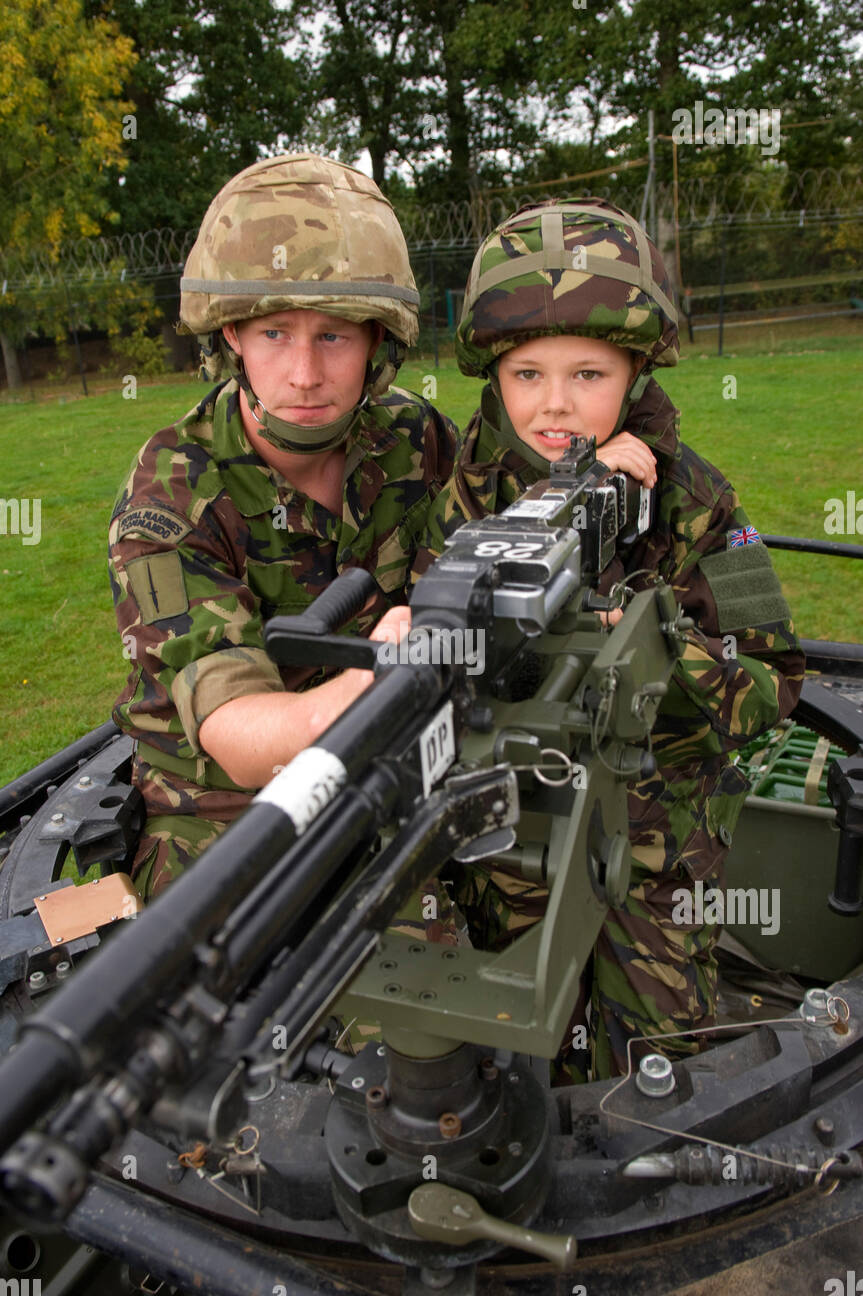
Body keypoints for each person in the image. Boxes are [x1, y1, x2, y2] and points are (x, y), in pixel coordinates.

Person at [413, 197, 806, 1081]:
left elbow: (775, 679)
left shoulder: (699, 499)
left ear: (636, 370)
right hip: (506, 845)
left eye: (587, 374)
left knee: (662, 1080)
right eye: (526, 374)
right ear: (494, 376)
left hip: (652, 847)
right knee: (508, 1070)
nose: (553, 405)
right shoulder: (461, 501)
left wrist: (639, 643)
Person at [109, 154, 458, 900]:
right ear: (230, 335)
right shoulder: (173, 493)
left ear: (378, 344)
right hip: (232, 810)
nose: (303, 373)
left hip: (393, 758)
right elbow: (240, 739)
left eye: (334, 336)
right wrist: (393, 672)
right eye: (274, 334)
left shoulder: (415, 439)